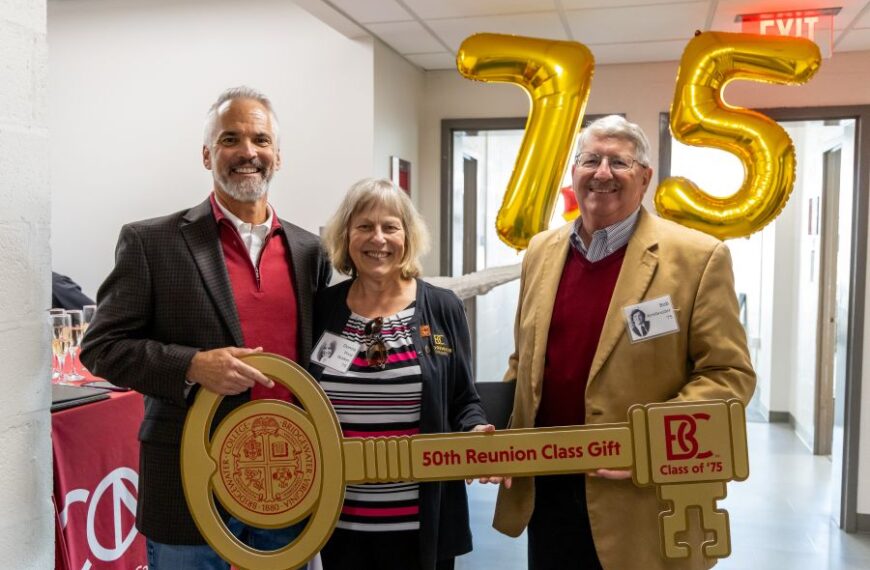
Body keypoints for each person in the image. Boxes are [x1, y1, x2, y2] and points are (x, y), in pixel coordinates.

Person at [80, 87, 331, 569]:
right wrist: (191, 365)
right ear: (206, 154)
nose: (247, 153)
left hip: (286, 475)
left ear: (278, 155)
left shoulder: (308, 252)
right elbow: (102, 348)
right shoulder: (151, 242)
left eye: (260, 139)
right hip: (188, 477)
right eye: (230, 139)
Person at [492, 115, 756, 570]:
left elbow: (728, 375)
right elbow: (525, 360)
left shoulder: (698, 257)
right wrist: (498, 437)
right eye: (591, 159)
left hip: (640, 494)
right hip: (548, 486)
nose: (602, 173)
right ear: (574, 172)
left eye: (619, 162)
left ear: (645, 177)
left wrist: (648, 444)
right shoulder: (541, 251)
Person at [310, 178, 492, 570]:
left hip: (422, 522)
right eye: (364, 226)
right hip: (337, 522)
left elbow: (464, 399)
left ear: (407, 237)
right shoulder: (322, 309)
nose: (378, 239)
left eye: (390, 227)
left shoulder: (442, 307)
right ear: (346, 236)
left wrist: (476, 432)